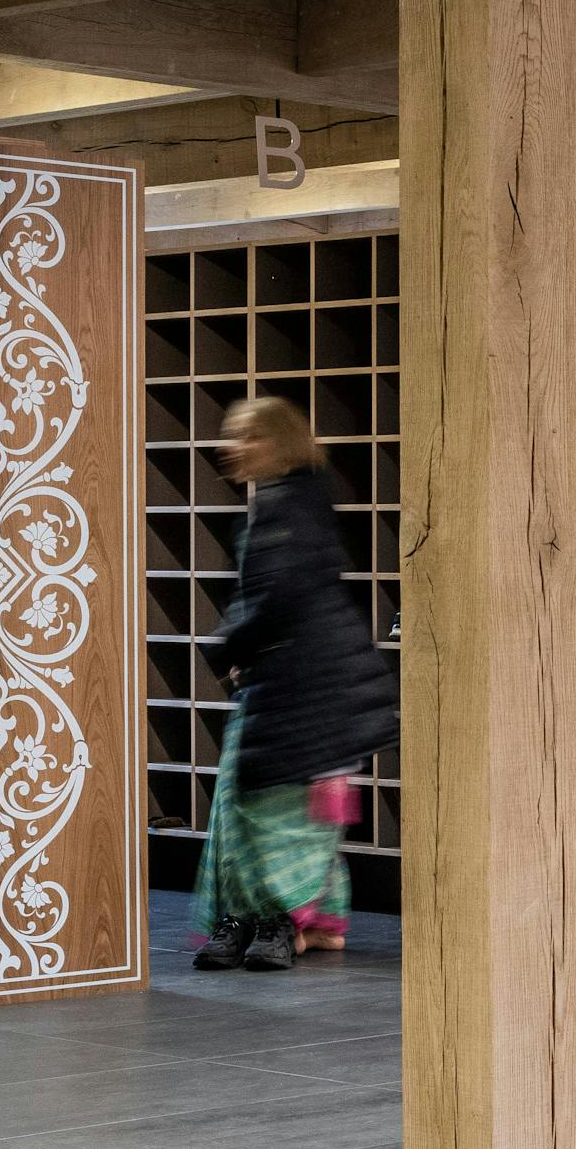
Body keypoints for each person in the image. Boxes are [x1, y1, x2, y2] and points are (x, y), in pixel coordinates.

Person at [194, 397, 395, 971]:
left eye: (249, 436)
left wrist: (226, 646)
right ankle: (273, 919)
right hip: (294, 679)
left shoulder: (292, 506)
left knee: (270, 809)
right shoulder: (291, 500)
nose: (232, 448)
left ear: (280, 442)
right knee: (263, 805)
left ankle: (279, 919)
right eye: (232, 436)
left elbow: (283, 595)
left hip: (304, 685)